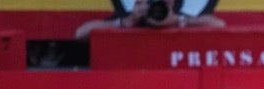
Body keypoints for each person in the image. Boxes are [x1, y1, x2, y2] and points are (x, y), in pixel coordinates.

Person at [75, 0, 224, 41]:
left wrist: (178, 20)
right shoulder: (133, 18)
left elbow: (219, 25)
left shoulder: (178, 15)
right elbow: (81, 33)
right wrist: (125, 23)